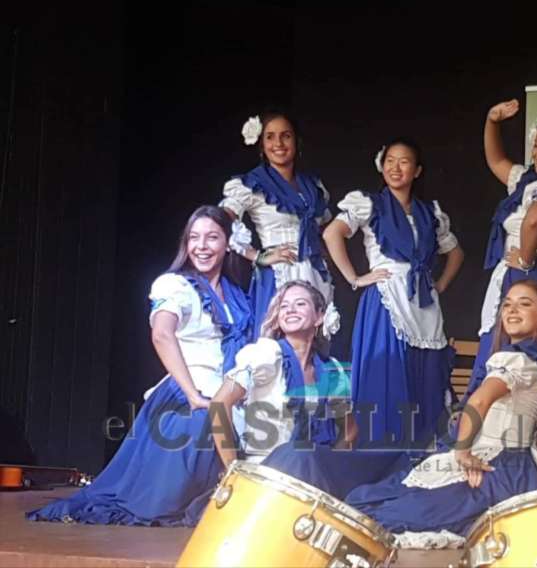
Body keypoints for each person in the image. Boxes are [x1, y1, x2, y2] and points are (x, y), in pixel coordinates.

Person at [27, 206, 254, 526]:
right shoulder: (176, 285)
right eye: (194, 238)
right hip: (190, 387)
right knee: (171, 490)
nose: (202, 246)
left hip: (227, 390)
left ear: (228, 243)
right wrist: (192, 394)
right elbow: (162, 334)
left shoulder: (236, 295)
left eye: (212, 237)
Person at [333, 280, 537, 546]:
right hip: (512, 467)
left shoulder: (517, 359)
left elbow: (479, 402)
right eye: (507, 304)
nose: (512, 310)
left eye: (524, 304)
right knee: (384, 503)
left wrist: (463, 452)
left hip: (497, 467)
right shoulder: (533, 361)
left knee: (389, 512)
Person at [322, 138, 463, 446]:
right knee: (387, 375)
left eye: (404, 161)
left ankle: (420, 449)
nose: (395, 168)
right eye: (390, 161)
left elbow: (455, 253)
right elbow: (332, 233)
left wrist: (440, 284)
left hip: (423, 299)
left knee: (425, 374)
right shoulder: (370, 203)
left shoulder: (430, 212)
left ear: (417, 170)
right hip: (387, 297)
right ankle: (384, 453)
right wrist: (356, 278)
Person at [466, 99, 537, 396]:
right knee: (500, 341)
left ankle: (507, 410)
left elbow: (535, 220)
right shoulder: (526, 181)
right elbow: (495, 160)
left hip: (529, 276)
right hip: (515, 273)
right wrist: (492, 120)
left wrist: (525, 259)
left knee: (518, 346)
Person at [220, 111, 341, 342]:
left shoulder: (313, 185)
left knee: (314, 344)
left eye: (286, 136)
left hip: (314, 273)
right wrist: (257, 256)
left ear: (296, 141)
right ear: (261, 144)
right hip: (280, 273)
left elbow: (326, 229)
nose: (278, 143)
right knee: (277, 344)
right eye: (270, 137)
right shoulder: (251, 184)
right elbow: (221, 223)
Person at [207, 280, 352, 467]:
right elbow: (219, 404)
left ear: (319, 317)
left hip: (310, 472)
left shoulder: (330, 370)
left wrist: (329, 465)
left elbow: (350, 430)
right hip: (265, 470)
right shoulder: (266, 355)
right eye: (284, 306)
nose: (290, 310)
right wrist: (231, 466)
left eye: (300, 303)